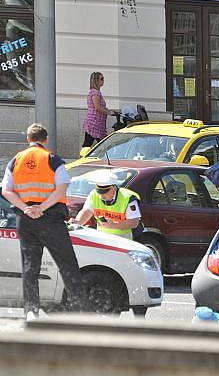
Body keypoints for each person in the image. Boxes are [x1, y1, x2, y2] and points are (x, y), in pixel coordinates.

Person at [1, 123, 89, 320]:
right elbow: (61, 187)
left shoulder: (16, 160)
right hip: (50, 218)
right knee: (67, 263)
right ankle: (79, 311)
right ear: (45, 140)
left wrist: (26, 208)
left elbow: (6, 190)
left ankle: (31, 311)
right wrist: (42, 207)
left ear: (28, 140)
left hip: (25, 219)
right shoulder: (52, 159)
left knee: (30, 266)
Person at [71, 171, 142, 240]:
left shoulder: (127, 197)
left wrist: (113, 226)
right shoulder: (94, 194)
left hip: (122, 240)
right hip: (102, 238)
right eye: (99, 192)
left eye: (105, 193)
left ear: (113, 188)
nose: (101, 196)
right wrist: (77, 223)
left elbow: (134, 222)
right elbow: (87, 211)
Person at [83, 72, 116, 148]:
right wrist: (109, 113)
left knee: (97, 144)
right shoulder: (95, 93)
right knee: (91, 145)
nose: (103, 81)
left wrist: (112, 111)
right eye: (101, 79)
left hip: (97, 124)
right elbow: (97, 107)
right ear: (96, 80)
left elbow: (101, 106)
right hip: (94, 124)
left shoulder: (96, 92)